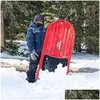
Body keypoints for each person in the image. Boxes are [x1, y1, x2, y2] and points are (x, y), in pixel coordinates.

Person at [26, 14, 46, 83]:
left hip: (43, 50)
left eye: (41, 21)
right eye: (39, 21)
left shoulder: (43, 29)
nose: (40, 23)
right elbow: (29, 40)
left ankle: (42, 78)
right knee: (33, 64)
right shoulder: (31, 29)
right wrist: (32, 51)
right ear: (35, 20)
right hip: (35, 50)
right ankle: (30, 79)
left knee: (43, 65)